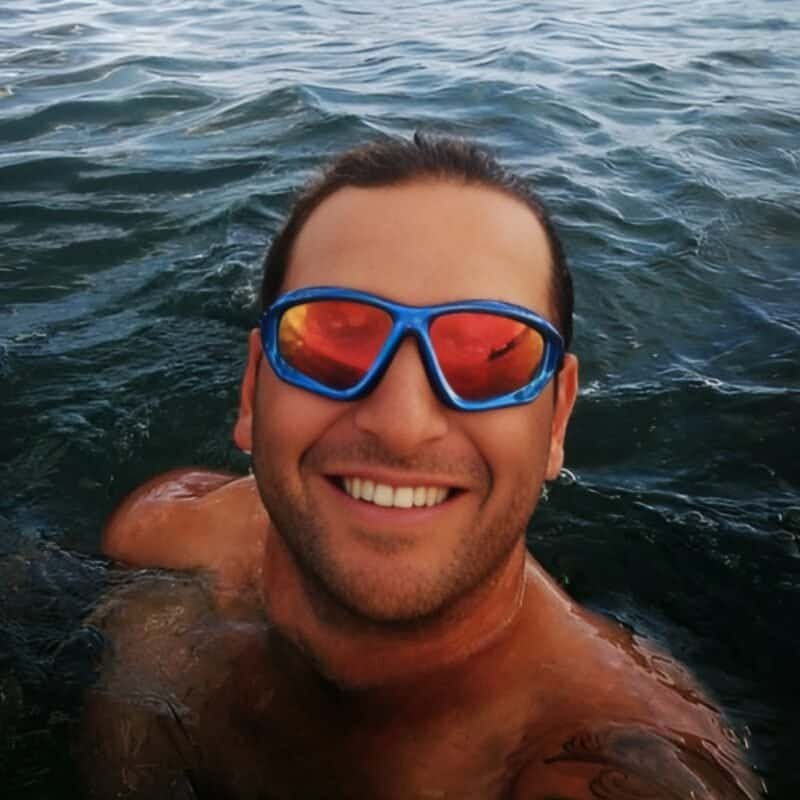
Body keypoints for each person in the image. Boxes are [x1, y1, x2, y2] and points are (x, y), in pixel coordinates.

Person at [80, 134, 760, 799]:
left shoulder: (598, 758)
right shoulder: (164, 540)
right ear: (254, 388)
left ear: (555, 421)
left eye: (491, 352)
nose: (402, 425)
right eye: (334, 337)